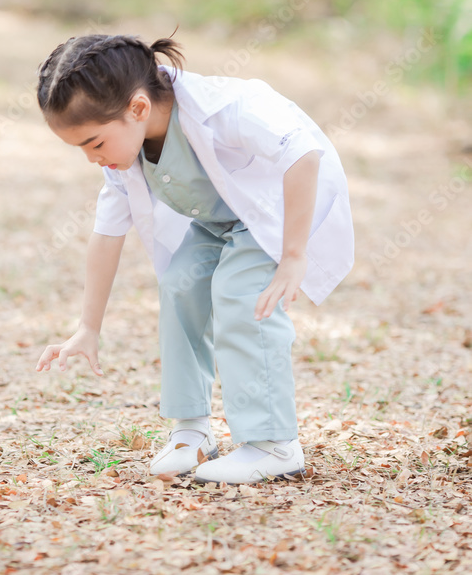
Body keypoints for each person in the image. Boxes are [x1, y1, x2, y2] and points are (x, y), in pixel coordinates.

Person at [34, 32, 354, 485]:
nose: (92, 159)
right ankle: (192, 428)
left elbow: (302, 152)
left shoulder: (226, 109)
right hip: (221, 222)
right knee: (181, 282)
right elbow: (106, 235)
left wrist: (294, 255)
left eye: (95, 143)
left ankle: (273, 443)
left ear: (138, 108)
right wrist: (88, 328)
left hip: (278, 215)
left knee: (241, 292)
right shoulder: (124, 158)